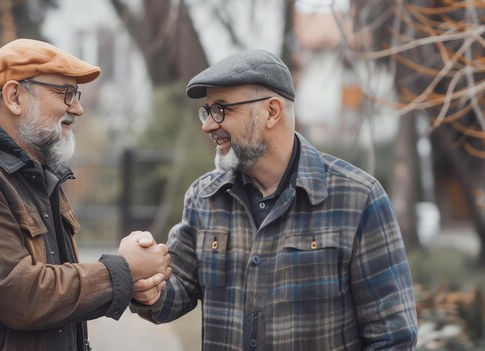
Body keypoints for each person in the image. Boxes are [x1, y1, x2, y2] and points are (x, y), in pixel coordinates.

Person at [130, 49, 418, 350]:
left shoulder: (359, 199)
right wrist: (146, 288)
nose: (208, 125)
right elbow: (175, 292)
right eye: (207, 111)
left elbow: (393, 339)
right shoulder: (204, 198)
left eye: (221, 110)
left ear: (272, 112)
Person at [0, 38, 171, 351]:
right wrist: (125, 270)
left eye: (77, 94)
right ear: (14, 96)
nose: (78, 108)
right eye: (66, 93)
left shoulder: (34, 175)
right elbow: (22, 296)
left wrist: (131, 284)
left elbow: (55, 294)